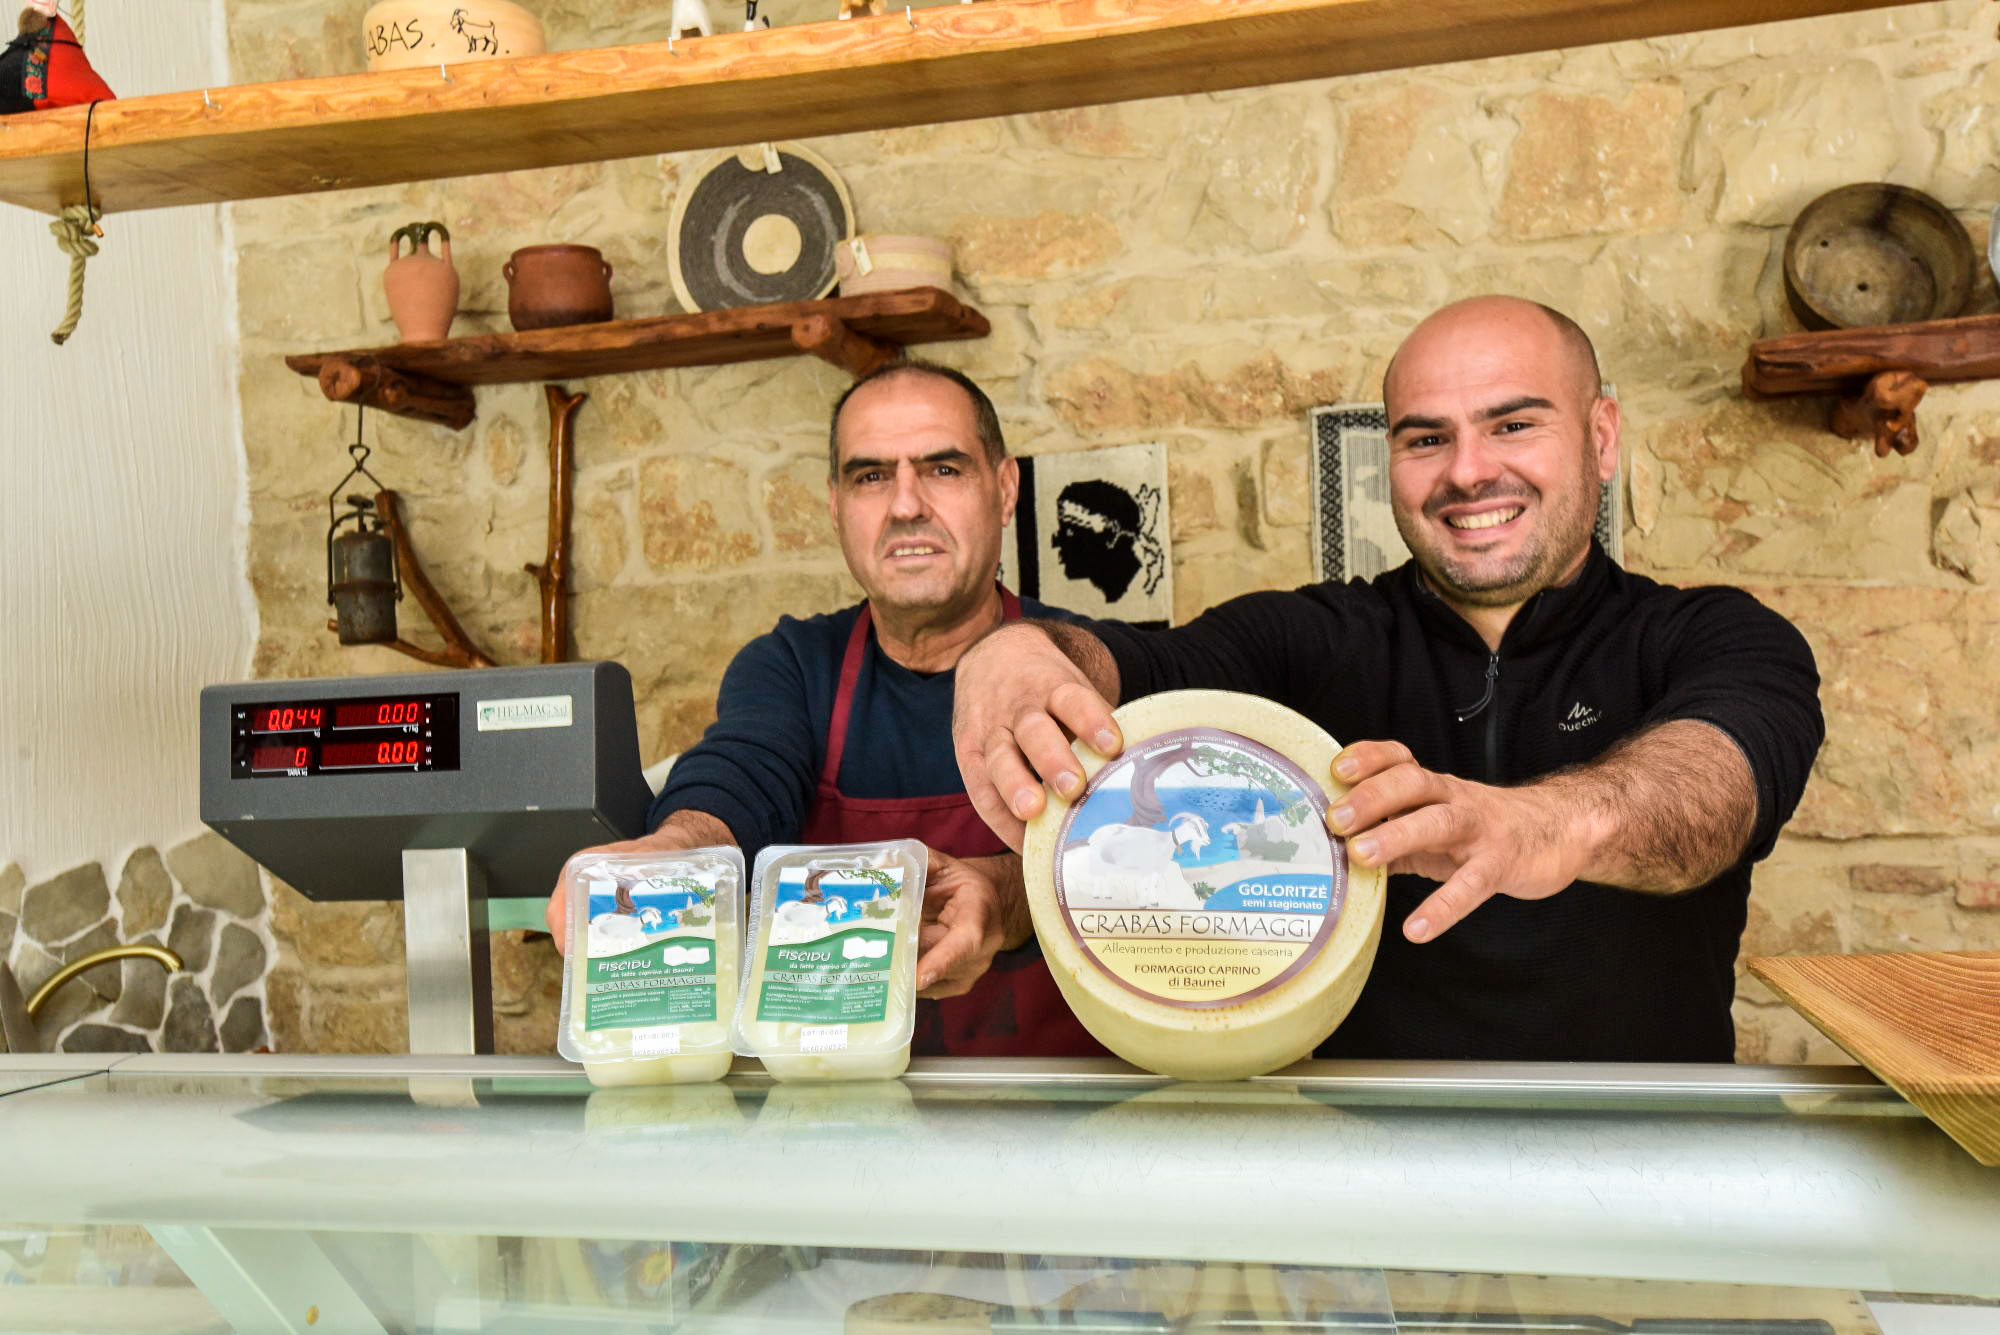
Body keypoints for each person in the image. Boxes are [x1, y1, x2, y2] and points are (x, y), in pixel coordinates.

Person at [951, 296, 1825, 1062]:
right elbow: (1133, 667)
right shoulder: (1308, 641)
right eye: (1427, 438)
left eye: (1514, 425)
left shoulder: (1719, 636)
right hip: (1364, 1166)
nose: (1468, 470)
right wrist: (1018, 651)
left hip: (1651, 1160)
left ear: (1601, 438)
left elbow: (1714, 789)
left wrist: (1538, 823)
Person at [549, 358, 1103, 1057]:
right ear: (836, 505)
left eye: (943, 468)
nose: (906, 505)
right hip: (835, 1101)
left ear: (1004, 488)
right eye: (871, 476)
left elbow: (1126, 873)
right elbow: (743, 773)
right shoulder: (794, 665)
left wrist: (1004, 897)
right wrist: (675, 849)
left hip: (1059, 1100)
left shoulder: (1083, 666)